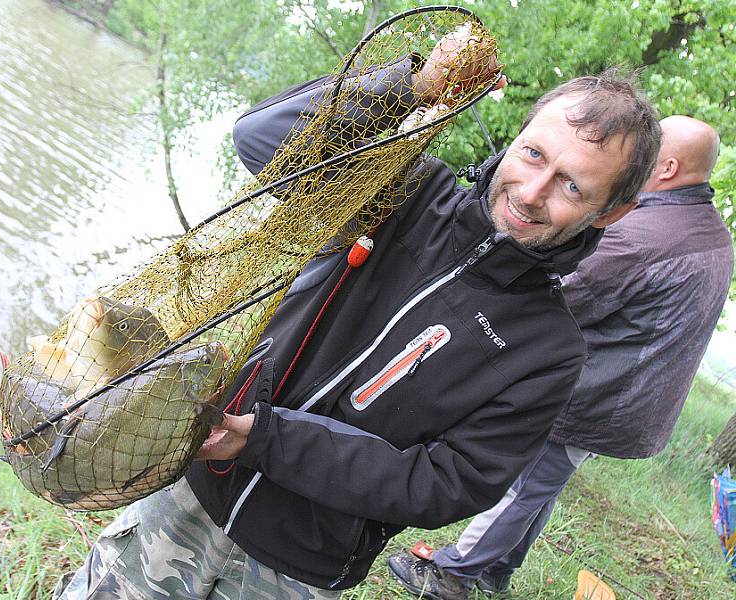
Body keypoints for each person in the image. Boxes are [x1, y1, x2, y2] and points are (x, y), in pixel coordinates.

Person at [55, 30, 661, 600]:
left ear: (612, 211)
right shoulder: (411, 189)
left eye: (572, 187)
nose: (532, 192)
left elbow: (447, 483)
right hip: (189, 493)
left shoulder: (550, 351)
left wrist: (266, 440)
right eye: (532, 155)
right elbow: (263, 141)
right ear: (516, 138)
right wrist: (411, 86)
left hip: (297, 564)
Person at [387, 115, 734, 600]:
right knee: (542, 482)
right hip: (625, 392)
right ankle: (495, 570)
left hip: (600, 391)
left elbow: (566, 297)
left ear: (670, 166)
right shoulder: (702, 227)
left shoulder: (650, 234)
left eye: (646, 154)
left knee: (523, 483)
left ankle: (451, 575)